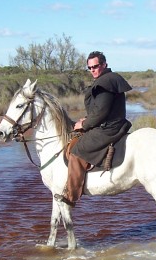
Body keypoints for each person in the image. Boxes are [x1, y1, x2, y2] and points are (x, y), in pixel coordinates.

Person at [54, 51, 132, 206]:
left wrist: (83, 124)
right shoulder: (109, 79)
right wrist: (86, 120)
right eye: (89, 68)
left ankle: (70, 196)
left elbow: (101, 112)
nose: (92, 70)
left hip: (108, 128)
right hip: (113, 123)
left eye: (95, 66)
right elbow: (99, 110)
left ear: (104, 64)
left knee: (77, 151)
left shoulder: (105, 83)